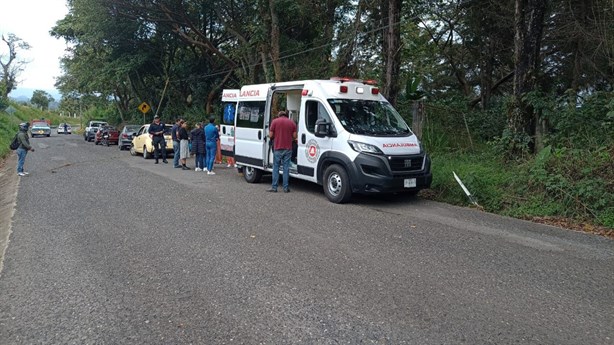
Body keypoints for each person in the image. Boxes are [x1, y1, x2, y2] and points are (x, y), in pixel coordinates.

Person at [267, 110, 297, 193]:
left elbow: (271, 135)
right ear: (286, 115)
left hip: (278, 148)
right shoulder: (292, 123)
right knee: (286, 168)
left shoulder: (275, 122)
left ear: (279, 115)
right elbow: (294, 136)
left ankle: (274, 187)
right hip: (288, 148)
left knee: (276, 167)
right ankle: (285, 188)